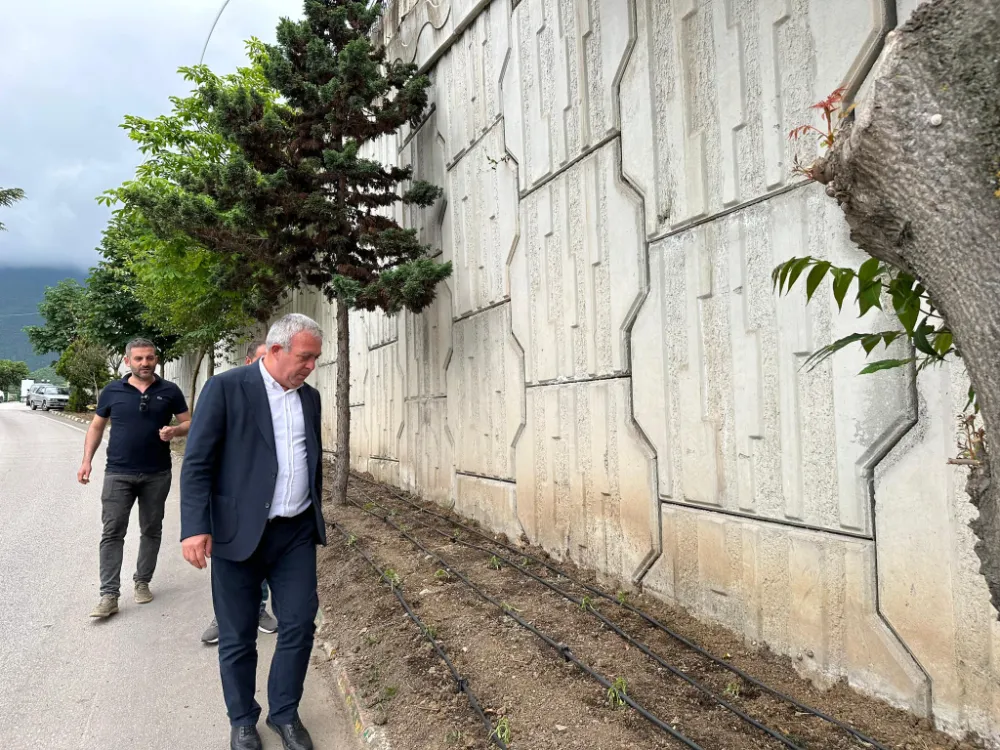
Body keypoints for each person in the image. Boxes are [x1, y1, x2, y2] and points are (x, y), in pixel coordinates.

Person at [181, 314, 325, 750]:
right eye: (305, 357)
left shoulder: (310, 399)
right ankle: (243, 719)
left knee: (299, 623)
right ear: (276, 349)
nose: (310, 366)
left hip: (294, 531)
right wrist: (194, 528)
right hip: (236, 532)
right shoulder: (227, 389)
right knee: (238, 631)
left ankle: (285, 712)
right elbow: (198, 463)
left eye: (316, 358)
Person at [78, 338, 191, 619]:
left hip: (157, 473)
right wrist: (86, 462)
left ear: (156, 360)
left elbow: (189, 421)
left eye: (150, 358)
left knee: (151, 530)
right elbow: (96, 426)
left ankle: (142, 581)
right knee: (112, 532)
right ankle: (109, 595)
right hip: (118, 473)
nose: (145, 363)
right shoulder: (112, 391)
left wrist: (174, 432)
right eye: (139, 358)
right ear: (127, 361)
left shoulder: (170, 390)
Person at [201, 340, 278, 644]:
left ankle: (258, 609)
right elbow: (202, 456)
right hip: (231, 502)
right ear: (249, 362)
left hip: (267, 503)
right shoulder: (225, 393)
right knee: (230, 563)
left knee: (261, 559)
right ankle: (223, 615)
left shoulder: (282, 400)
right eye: (261, 361)